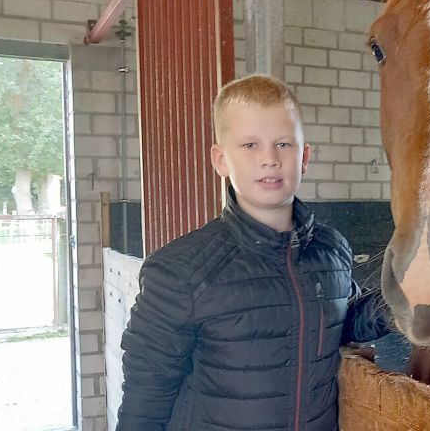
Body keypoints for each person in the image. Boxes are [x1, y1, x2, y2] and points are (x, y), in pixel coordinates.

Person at [117, 75, 391, 431]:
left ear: (304, 157)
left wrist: (402, 304)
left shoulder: (331, 249)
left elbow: (341, 318)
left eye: (283, 144)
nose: (269, 159)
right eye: (249, 145)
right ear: (221, 160)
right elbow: (145, 401)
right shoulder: (180, 272)